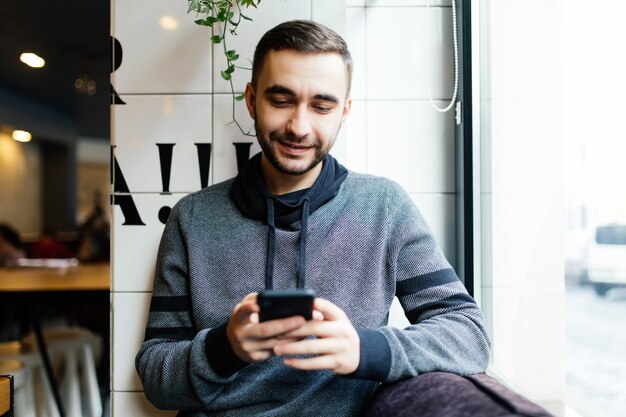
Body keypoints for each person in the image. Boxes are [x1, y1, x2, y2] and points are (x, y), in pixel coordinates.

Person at [136, 20, 490, 416]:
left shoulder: (384, 207)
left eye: (321, 106)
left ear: (344, 111)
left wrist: (365, 349)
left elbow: (469, 336)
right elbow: (155, 374)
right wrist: (225, 348)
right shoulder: (193, 218)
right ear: (251, 100)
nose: (298, 127)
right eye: (281, 100)